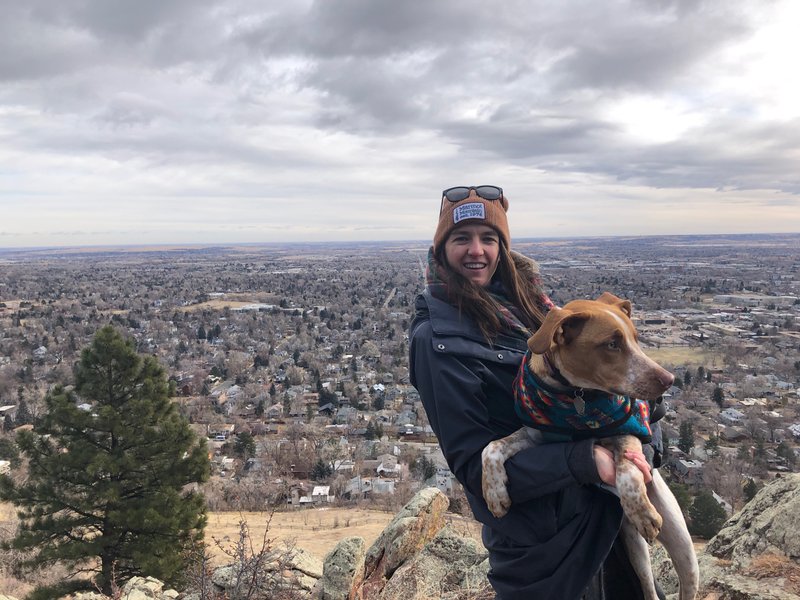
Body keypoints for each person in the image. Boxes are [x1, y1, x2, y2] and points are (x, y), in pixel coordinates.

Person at [408, 186, 666, 600]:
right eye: (461, 239)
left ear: (503, 247)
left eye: (489, 238)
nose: (477, 251)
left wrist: (639, 438)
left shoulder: (533, 308)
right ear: (441, 249)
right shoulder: (436, 340)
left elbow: (590, 388)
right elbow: (475, 470)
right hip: (543, 548)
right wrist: (587, 461)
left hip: (606, 516)